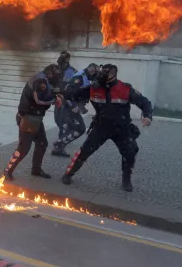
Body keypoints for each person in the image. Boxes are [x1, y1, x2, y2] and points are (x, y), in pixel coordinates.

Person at [60, 64, 152, 192]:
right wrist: (75, 86)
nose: (100, 77)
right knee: (85, 150)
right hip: (101, 126)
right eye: (100, 73)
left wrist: (147, 116)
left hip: (122, 128)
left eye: (104, 74)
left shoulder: (124, 88)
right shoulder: (92, 88)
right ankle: (68, 174)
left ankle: (126, 179)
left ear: (112, 75)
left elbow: (145, 102)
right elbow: (71, 95)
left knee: (130, 151)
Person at [3, 64, 64, 181]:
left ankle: (36, 169)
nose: (57, 78)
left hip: (35, 118)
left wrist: (55, 93)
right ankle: (7, 170)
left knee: (42, 143)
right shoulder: (40, 80)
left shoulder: (43, 79)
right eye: (56, 75)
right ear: (51, 73)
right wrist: (54, 99)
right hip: (28, 118)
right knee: (23, 148)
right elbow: (39, 99)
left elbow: (46, 93)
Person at [51, 63, 100, 157]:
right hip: (67, 106)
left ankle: (58, 146)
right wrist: (73, 106)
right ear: (91, 72)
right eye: (95, 74)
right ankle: (58, 145)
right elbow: (67, 94)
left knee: (70, 128)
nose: (96, 77)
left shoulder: (84, 77)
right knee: (79, 128)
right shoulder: (80, 78)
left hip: (69, 106)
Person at [54, 51, 76, 145]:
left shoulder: (72, 71)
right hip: (58, 99)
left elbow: (75, 85)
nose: (61, 59)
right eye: (60, 57)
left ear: (67, 59)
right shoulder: (56, 70)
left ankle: (61, 142)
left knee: (63, 121)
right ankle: (65, 134)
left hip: (67, 100)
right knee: (57, 119)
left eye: (63, 57)